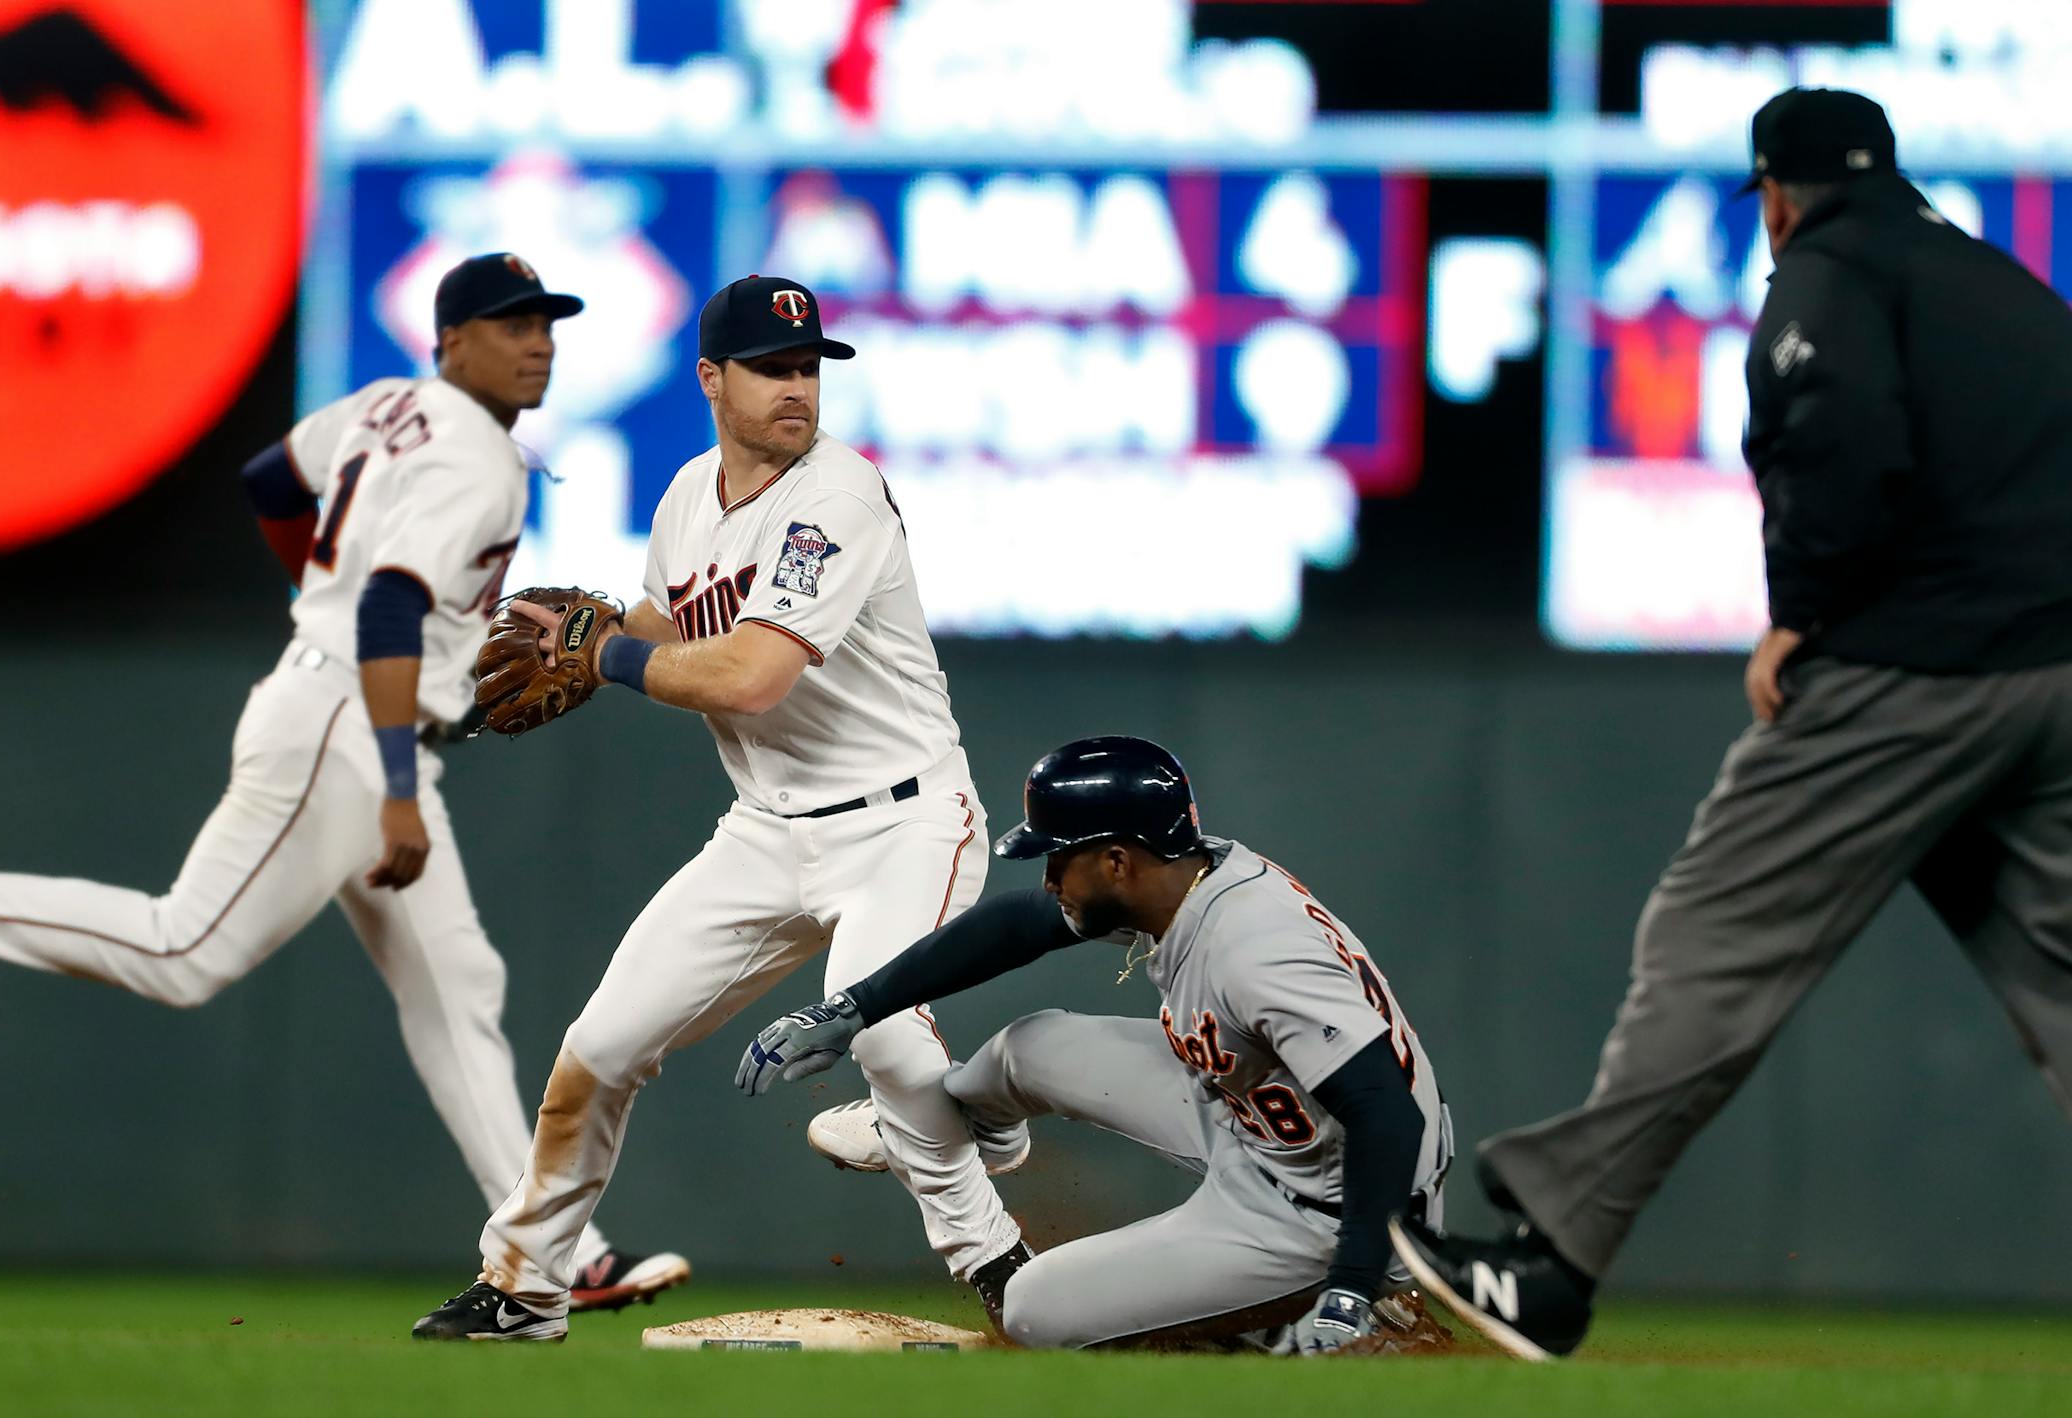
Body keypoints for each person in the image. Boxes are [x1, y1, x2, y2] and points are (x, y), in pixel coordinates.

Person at [1393, 88, 2072, 1361]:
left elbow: (1836, 431)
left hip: (1912, 670)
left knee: (1717, 928)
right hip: (2058, 669)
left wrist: (1803, 614)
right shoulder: (1996, 282)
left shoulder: (1829, 272)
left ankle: (1552, 1262)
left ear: (1776, 192)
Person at [0, 254, 687, 1314]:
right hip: (351, 728)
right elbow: (384, 609)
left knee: (459, 991)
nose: (538, 341)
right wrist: (401, 784)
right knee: (184, 947)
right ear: (452, 341)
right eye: (511, 325)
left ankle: (560, 1247)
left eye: (546, 322)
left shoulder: (384, 406)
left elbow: (270, 480)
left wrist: (311, 591)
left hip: (338, 704)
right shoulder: (476, 458)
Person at [410, 275, 1026, 1342]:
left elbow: (746, 676)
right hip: (768, 830)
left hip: (906, 821)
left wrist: (602, 654)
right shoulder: (688, 497)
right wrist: (579, 637)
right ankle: (524, 1285)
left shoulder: (838, 495)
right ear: (711, 377)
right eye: (771, 368)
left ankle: (1002, 1261)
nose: (797, 388)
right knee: (595, 1050)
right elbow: (665, 621)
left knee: (877, 1035)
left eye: (808, 368)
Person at [736, 736, 1454, 1352]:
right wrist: (853, 1007)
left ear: (1116, 861)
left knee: (1033, 1310)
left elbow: (1387, 1116)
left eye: (1059, 858)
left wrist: (1353, 1287)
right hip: (1256, 1113)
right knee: (1028, 1049)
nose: (1048, 877)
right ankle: (947, 1130)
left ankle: (1325, 1319)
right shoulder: (1184, 878)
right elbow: (1019, 925)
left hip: (1331, 1200)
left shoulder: (1254, 950)